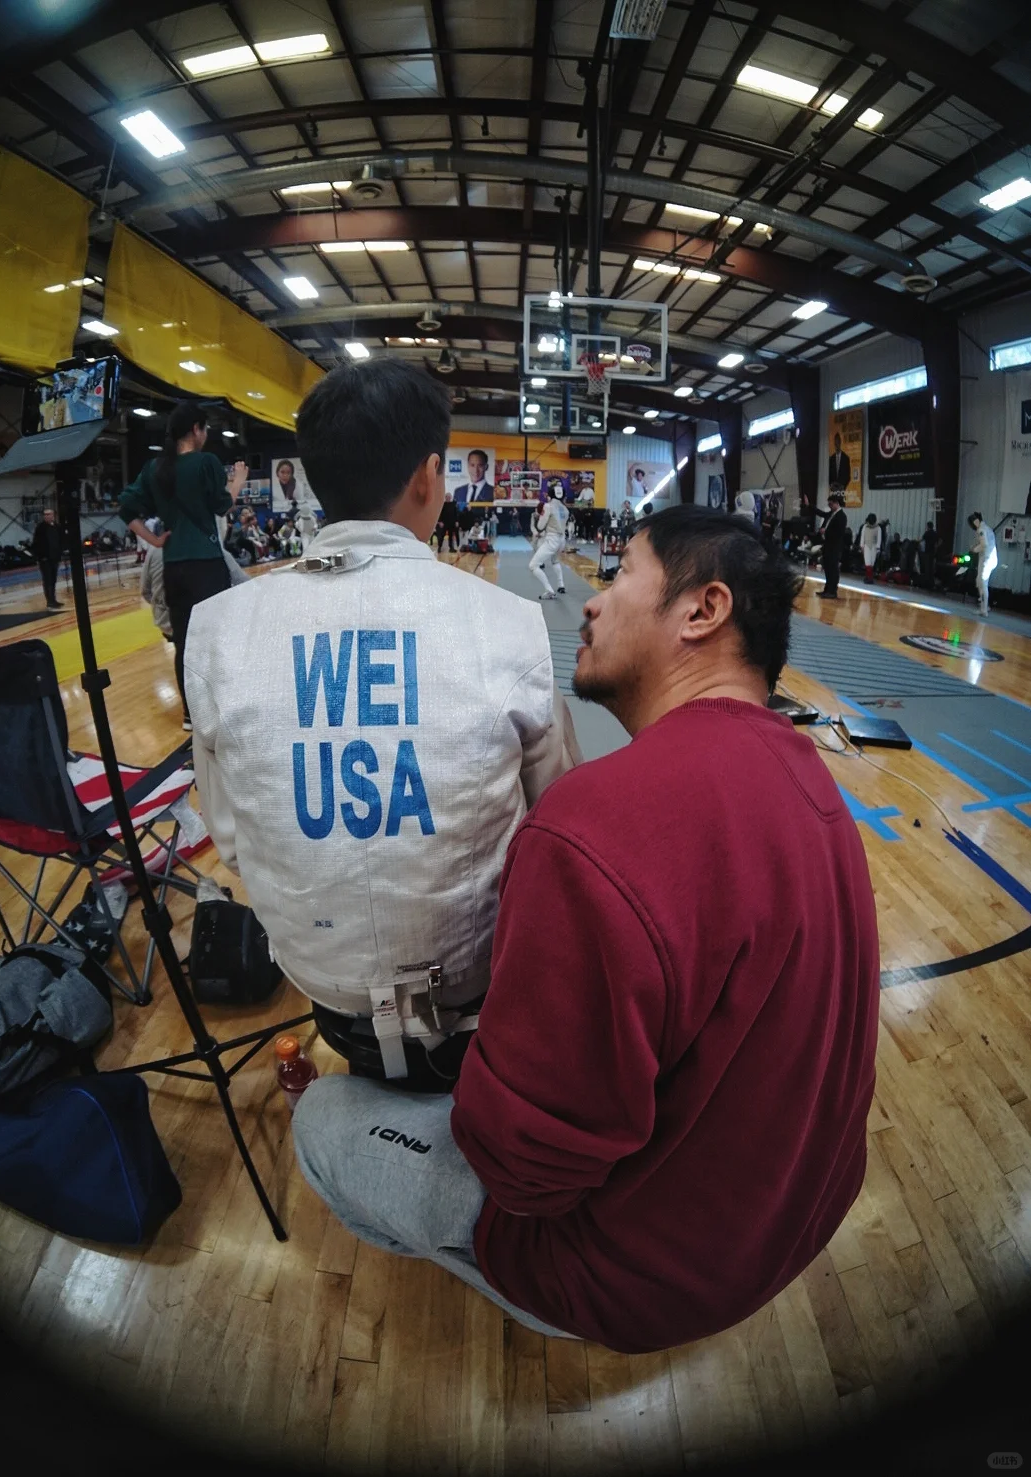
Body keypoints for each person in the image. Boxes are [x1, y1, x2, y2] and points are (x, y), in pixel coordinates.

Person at [292, 507, 880, 1351]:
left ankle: (487, 1273)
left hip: (638, 1275)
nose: (593, 601)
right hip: (793, 1218)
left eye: (620, 573)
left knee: (322, 1116)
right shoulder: (812, 782)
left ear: (703, 610)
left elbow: (521, 1174)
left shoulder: (594, 822)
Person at [184, 359, 579, 1091]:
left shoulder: (213, 629)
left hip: (317, 972)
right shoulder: (510, 624)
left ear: (311, 478)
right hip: (473, 974)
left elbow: (231, 838)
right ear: (428, 477)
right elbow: (559, 822)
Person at [120, 402, 247, 731]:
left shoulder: (155, 468)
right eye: (205, 429)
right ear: (196, 429)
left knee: (184, 644)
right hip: (206, 565)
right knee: (215, 639)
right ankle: (220, 709)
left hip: (174, 566)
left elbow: (126, 506)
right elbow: (222, 506)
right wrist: (238, 481)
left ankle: (191, 714)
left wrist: (154, 539)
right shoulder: (206, 463)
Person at [141, 519, 247, 637]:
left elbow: (145, 592)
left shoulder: (153, 551)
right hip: (201, 625)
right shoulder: (212, 548)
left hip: (166, 623)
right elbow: (244, 583)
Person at [530, 485, 568, 599]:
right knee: (555, 561)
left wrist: (539, 517)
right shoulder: (565, 509)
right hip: (562, 540)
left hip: (552, 539)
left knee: (533, 565)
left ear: (551, 495)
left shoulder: (548, 506)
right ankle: (561, 585)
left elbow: (540, 526)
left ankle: (549, 590)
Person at [814, 493, 848, 598]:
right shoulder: (831, 514)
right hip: (827, 545)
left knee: (833, 569)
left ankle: (833, 591)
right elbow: (821, 513)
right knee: (827, 568)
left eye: (831, 504)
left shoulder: (842, 516)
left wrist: (825, 531)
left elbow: (839, 533)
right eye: (828, 504)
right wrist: (809, 505)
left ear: (836, 503)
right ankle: (827, 589)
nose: (829, 506)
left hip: (835, 547)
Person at [30, 507, 63, 609]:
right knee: (47, 579)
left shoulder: (57, 526)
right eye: (45, 515)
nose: (47, 516)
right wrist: (41, 556)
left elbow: (60, 541)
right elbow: (36, 543)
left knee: (53, 579)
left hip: (55, 557)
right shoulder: (40, 528)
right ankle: (49, 601)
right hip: (45, 558)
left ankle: (53, 599)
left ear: (53, 516)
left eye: (49, 514)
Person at [968, 511, 997, 617]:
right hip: (988, 558)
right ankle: (984, 606)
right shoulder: (986, 528)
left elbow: (984, 544)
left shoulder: (981, 529)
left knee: (982, 583)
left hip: (987, 559)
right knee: (979, 582)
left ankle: (984, 610)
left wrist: (974, 549)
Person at [859, 513, 881, 584]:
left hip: (874, 546)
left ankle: (869, 577)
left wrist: (878, 549)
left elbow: (879, 539)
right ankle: (869, 577)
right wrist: (862, 546)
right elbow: (862, 537)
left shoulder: (878, 528)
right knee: (867, 562)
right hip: (866, 546)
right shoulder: (865, 527)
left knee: (872, 563)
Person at [919, 520, 938, 588]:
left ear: (928, 526)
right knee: (931, 567)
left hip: (927, 552)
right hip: (932, 552)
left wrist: (916, 541)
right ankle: (931, 582)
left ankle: (927, 582)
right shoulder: (935, 533)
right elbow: (939, 541)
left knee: (927, 567)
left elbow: (922, 539)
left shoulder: (927, 533)